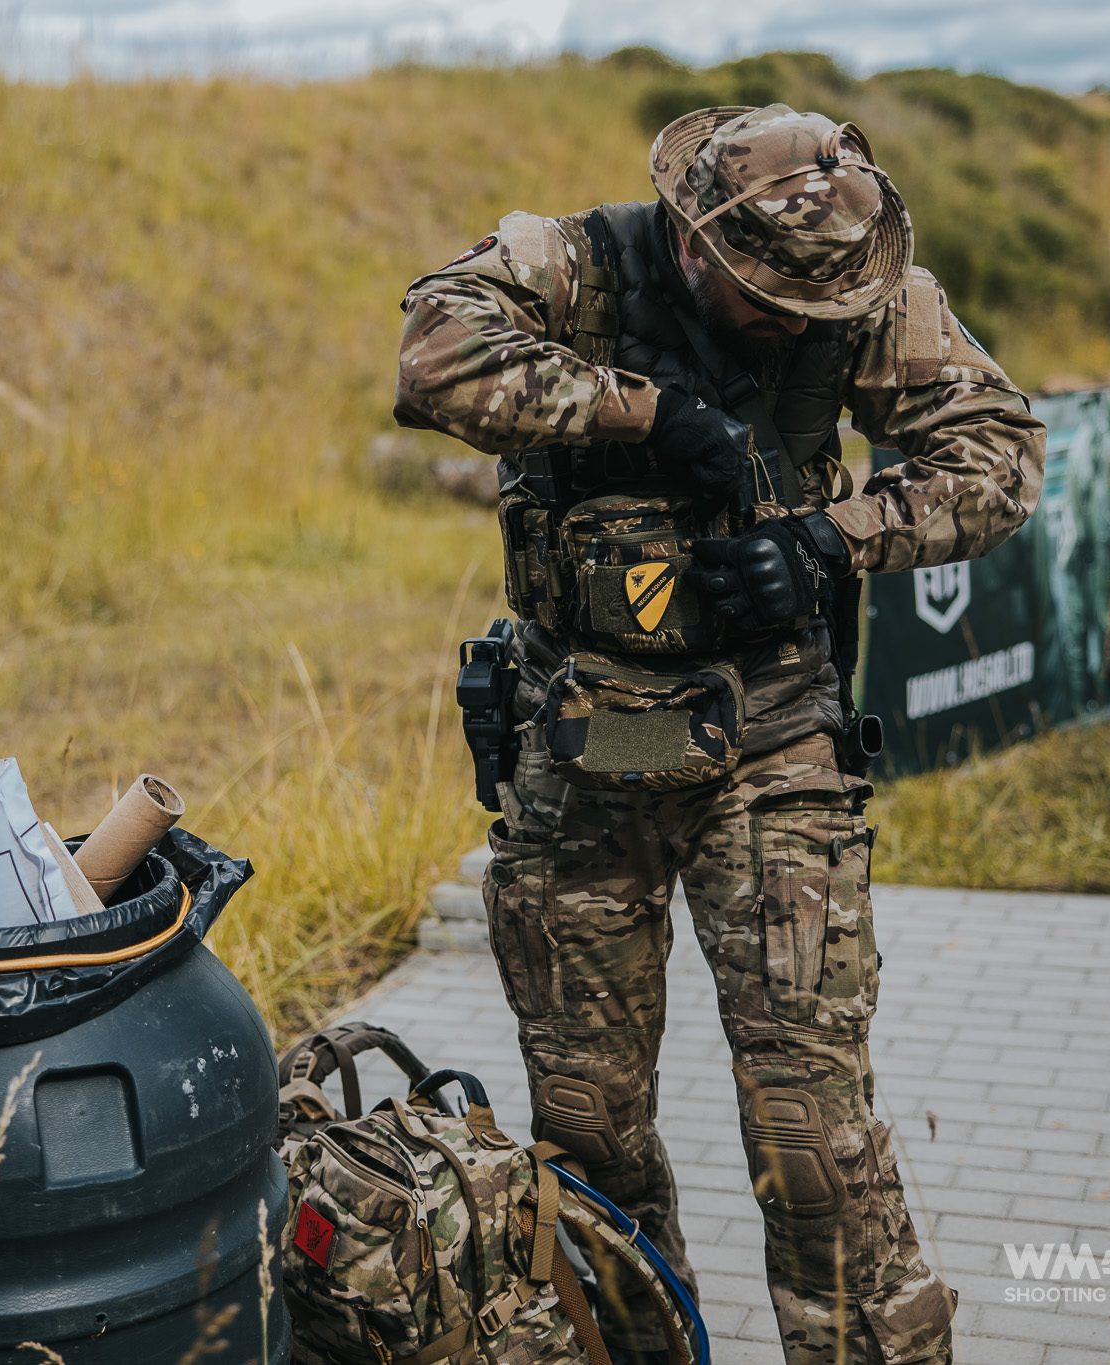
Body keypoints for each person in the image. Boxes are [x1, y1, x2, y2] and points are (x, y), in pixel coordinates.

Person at [393, 105, 1047, 1364]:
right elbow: (434, 359)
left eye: (818, 305)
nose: (798, 325)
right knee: (586, 1128)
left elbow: (1000, 456)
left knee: (812, 1136)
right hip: (590, 751)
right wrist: (644, 416)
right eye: (768, 301)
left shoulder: (857, 291)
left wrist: (832, 540)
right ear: (692, 242)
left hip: (771, 747)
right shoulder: (568, 263)